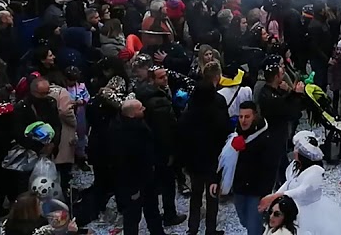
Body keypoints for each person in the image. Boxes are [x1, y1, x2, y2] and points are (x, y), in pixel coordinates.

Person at [259, 131, 341, 235]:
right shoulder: (296, 165)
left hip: (309, 212)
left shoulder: (315, 172)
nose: (294, 151)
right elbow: (289, 183)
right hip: (293, 207)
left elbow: (302, 190)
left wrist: (278, 196)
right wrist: (275, 196)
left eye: (297, 149)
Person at [178, 81, 232, 235]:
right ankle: (210, 229)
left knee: (195, 195)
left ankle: (192, 228)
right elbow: (226, 133)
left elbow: (181, 138)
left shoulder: (188, 114)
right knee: (212, 195)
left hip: (194, 163)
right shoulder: (217, 113)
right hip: (213, 162)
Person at [111, 98, 166, 235]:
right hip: (133, 183)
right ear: (131, 114)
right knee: (132, 216)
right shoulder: (122, 134)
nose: (144, 109)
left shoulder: (137, 124)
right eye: (140, 108)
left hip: (147, 177)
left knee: (152, 209)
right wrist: (133, 188)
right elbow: (123, 164)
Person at [217, 101, 274, 235]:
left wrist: (265, 193)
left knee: (253, 227)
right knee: (244, 220)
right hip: (239, 187)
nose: (243, 120)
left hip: (256, 190)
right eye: (241, 116)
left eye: (247, 117)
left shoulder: (265, 137)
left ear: (255, 116)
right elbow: (225, 160)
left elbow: (270, 167)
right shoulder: (236, 133)